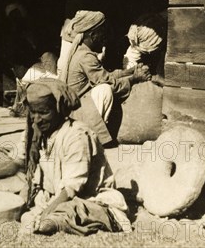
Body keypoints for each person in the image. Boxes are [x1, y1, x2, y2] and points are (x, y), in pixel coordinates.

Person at [18, 79, 131, 235]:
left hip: (86, 198)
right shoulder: (39, 132)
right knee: (24, 212)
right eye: (33, 112)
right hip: (54, 197)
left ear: (59, 110)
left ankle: (55, 222)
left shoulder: (77, 135)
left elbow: (72, 188)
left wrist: (45, 214)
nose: (37, 119)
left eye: (44, 112)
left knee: (66, 213)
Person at [58, 10, 150, 145]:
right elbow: (110, 83)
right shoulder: (86, 57)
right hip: (75, 113)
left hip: (73, 109)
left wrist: (129, 72)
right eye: (103, 33)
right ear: (93, 35)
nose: (105, 38)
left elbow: (104, 75)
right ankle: (90, 135)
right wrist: (134, 78)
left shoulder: (82, 51)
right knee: (105, 90)